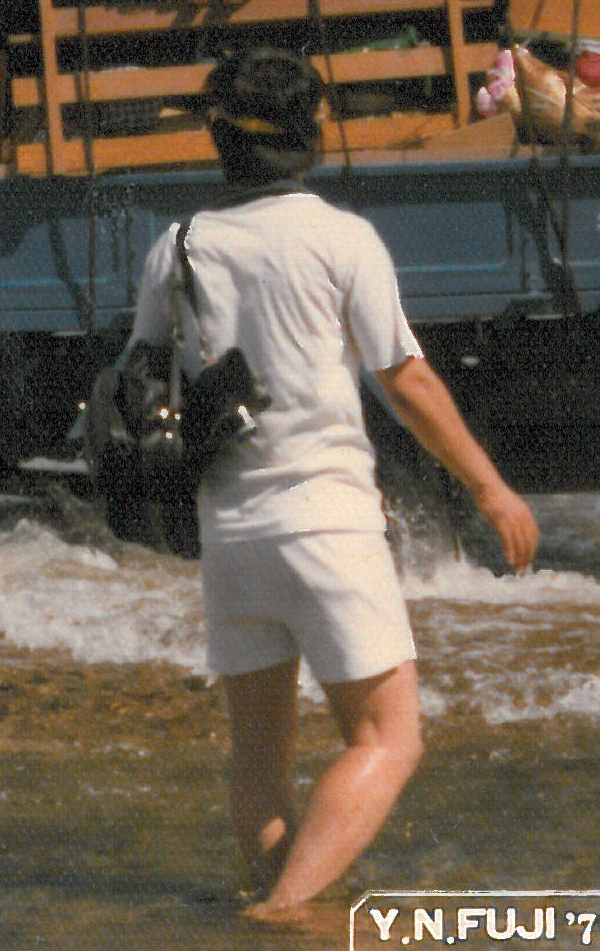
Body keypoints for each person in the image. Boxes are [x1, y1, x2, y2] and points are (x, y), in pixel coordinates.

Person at [129, 49, 537, 924]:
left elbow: (144, 370)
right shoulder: (341, 238)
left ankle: (287, 902)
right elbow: (407, 382)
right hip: (325, 524)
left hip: (229, 532)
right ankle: (282, 913)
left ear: (218, 139)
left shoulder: (178, 246)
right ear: (308, 137)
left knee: (257, 758)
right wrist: (492, 490)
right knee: (389, 738)